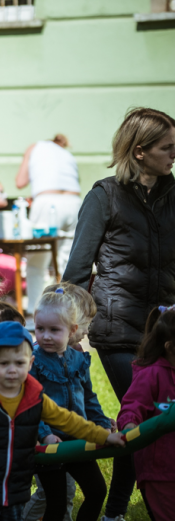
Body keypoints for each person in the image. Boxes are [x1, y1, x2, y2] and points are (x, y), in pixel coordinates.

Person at [63, 107, 175, 520]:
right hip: (118, 330)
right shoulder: (104, 195)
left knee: (158, 421)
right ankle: (114, 512)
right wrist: (71, 324)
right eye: (168, 147)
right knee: (138, 423)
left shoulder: (172, 195)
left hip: (164, 328)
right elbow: (77, 268)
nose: (174, 155)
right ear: (140, 151)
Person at [0, 322, 126, 521]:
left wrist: (105, 436)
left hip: (16, 492)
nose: (12, 370)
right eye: (3, 363)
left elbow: (70, 422)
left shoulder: (34, 397)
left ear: (31, 362)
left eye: (19, 363)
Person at [29, 290, 113, 521]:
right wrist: (45, 435)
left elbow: (89, 398)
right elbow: (30, 404)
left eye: (54, 330)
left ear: (72, 330)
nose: (45, 336)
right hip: (50, 445)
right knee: (55, 504)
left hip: (77, 440)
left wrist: (101, 423)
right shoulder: (33, 361)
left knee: (97, 491)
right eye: (39, 328)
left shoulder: (78, 360)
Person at [118, 306, 175, 519]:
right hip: (161, 469)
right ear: (170, 347)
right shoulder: (151, 373)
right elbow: (131, 406)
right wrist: (130, 426)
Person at [16, 134, 81, 316]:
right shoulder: (67, 154)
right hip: (74, 202)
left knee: (37, 260)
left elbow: (20, 182)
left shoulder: (34, 147)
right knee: (66, 262)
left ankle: (36, 310)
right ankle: (69, 310)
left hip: (47, 202)